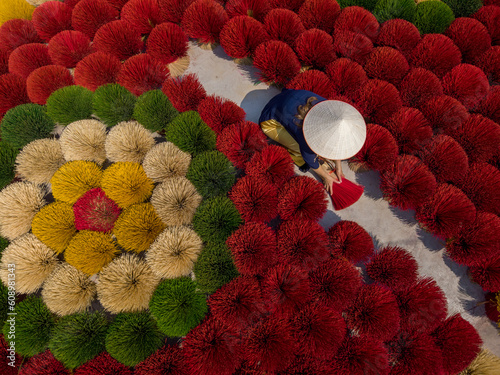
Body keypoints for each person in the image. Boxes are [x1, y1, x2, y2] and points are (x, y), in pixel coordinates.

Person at [259, 88, 366, 194]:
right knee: (298, 148)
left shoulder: (332, 112)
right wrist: (325, 177)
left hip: (291, 97)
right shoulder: (305, 134)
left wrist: (338, 168)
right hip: (270, 120)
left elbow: (336, 139)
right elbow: (310, 160)